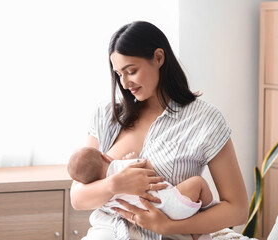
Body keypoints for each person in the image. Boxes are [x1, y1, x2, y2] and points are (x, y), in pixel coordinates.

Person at [70, 21, 248, 240]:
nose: (124, 83)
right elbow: (77, 198)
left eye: (131, 71)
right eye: (118, 74)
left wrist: (166, 226)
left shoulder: (204, 120)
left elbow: (237, 210)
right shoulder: (108, 115)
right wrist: (115, 184)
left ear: (159, 58)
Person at [68, 147, 216, 240]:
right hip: (168, 204)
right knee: (199, 183)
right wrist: (133, 157)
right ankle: (209, 209)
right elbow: (147, 168)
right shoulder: (119, 166)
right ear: (104, 156)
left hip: (145, 217)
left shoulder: (103, 198)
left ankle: (201, 234)